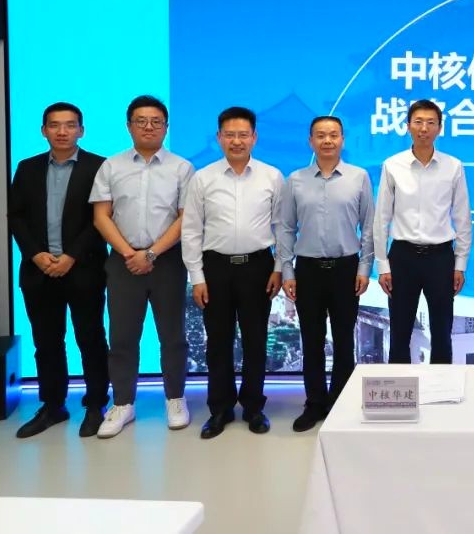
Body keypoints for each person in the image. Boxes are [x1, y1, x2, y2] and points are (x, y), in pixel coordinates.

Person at [89, 95, 194, 438]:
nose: (149, 127)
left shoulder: (182, 168)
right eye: (141, 121)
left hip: (167, 261)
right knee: (122, 336)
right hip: (123, 262)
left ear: (166, 127)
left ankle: (175, 398)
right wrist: (129, 253)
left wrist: (150, 254)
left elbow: (185, 218)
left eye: (156, 121)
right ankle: (122, 403)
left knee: (173, 336)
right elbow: (101, 216)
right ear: (129, 126)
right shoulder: (111, 166)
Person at [7, 102, 109, 439]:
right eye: (54, 125)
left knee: (91, 339)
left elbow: (102, 219)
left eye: (69, 125)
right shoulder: (27, 168)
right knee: (47, 342)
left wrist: (71, 256)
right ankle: (53, 405)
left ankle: (96, 405)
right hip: (38, 270)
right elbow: (16, 216)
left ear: (81, 130)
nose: (62, 131)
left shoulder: (99, 167)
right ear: (43, 130)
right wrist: (35, 254)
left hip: (84, 268)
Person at [181, 107, 284, 439]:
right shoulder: (203, 178)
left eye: (243, 135)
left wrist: (279, 268)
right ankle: (220, 408)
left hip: (258, 267)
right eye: (230, 135)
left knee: (256, 340)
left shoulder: (272, 176)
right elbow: (191, 230)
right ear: (219, 138)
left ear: (254, 137)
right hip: (216, 269)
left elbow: (282, 227)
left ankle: (253, 407)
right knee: (218, 341)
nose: (236, 141)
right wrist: (197, 277)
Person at [276, 116, 374, 432]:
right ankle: (315, 403)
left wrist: (364, 268)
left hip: (346, 269)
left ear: (342, 139)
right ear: (311, 141)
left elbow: (369, 226)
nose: (327, 140)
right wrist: (287, 271)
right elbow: (286, 228)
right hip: (308, 270)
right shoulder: (296, 180)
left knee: (345, 341)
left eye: (333, 135)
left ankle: (341, 403)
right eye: (320, 135)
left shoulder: (358, 177)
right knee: (312, 340)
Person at [374, 99, 472, 364]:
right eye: (418, 122)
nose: (424, 128)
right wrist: (382, 265)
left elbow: (462, 218)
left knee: (442, 332)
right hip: (402, 256)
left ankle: (442, 387)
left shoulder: (453, 166)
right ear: (408, 126)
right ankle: (399, 387)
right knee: (400, 331)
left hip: (440, 258)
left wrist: (460, 265)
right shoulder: (392, 165)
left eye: (431, 123)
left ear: (440, 128)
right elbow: (381, 218)